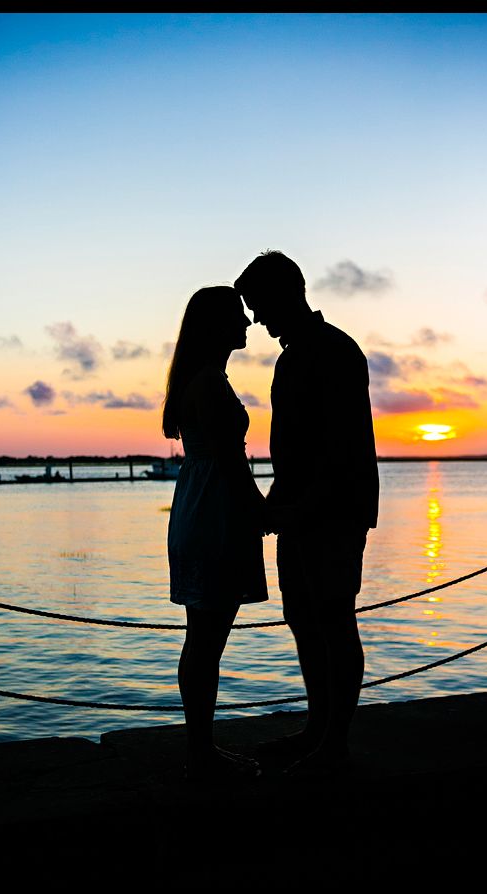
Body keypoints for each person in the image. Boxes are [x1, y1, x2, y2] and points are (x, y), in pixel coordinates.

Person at [234, 251, 379, 776]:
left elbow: (340, 451)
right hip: (299, 511)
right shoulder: (293, 356)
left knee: (335, 620)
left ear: (285, 294)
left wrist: (296, 509)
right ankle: (319, 729)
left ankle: (334, 743)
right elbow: (295, 452)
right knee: (303, 619)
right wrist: (279, 505)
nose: (255, 319)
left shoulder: (334, 351)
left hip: (332, 513)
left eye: (259, 306)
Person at [163, 286, 270, 782]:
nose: (247, 323)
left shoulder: (205, 380)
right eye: (237, 316)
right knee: (206, 640)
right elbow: (231, 463)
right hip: (215, 512)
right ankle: (201, 751)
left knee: (203, 638)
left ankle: (200, 747)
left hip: (202, 504)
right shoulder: (208, 383)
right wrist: (262, 511)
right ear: (214, 326)